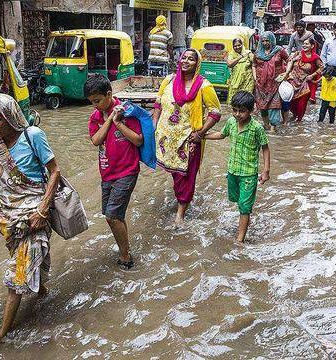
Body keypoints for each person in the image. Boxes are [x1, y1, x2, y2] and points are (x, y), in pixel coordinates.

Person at [0, 94, 61, 343]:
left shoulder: (33, 136)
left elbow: (55, 171)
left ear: (10, 117)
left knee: (18, 275)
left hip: (34, 211)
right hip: (9, 214)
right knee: (26, 262)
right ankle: (43, 291)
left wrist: (42, 210)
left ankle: (2, 336)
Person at [152, 49, 221, 225]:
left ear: (197, 64)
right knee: (176, 175)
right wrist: (154, 125)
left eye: (191, 59)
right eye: (184, 58)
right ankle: (182, 199)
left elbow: (215, 113)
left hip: (189, 140)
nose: (186, 61)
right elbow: (158, 103)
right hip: (166, 139)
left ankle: (180, 213)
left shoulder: (204, 86)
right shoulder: (169, 80)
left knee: (187, 175)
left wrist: (200, 133)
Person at [84, 75, 143, 269]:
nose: (95, 106)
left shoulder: (127, 112)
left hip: (127, 171)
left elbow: (138, 140)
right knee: (115, 216)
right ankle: (125, 248)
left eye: (98, 101)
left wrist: (119, 123)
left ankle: (125, 256)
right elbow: (96, 140)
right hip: (107, 172)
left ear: (109, 94)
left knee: (112, 216)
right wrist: (110, 118)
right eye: (92, 102)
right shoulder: (96, 116)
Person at [204, 91, 270, 243]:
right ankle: (245, 222)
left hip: (248, 174)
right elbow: (221, 134)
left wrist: (266, 171)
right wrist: (203, 135)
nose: (237, 114)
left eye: (242, 111)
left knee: (244, 206)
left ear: (251, 111)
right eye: (234, 110)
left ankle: (239, 240)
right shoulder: (231, 123)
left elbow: (265, 148)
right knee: (237, 201)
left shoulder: (256, 128)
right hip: (232, 171)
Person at [253, 31, 289, 131]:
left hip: (275, 83)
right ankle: (266, 126)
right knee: (262, 107)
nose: (265, 43)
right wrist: (255, 77)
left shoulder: (279, 50)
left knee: (275, 106)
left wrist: (286, 73)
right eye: (263, 41)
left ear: (272, 40)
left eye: (267, 41)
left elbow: (289, 60)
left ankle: (273, 129)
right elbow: (254, 65)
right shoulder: (257, 52)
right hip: (261, 84)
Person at [282, 38, 324, 122]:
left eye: (307, 44)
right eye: (304, 44)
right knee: (291, 103)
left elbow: (322, 67)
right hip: (292, 82)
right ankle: (293, 116)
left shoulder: (315, 58)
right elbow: (289, 62)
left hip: (305, 84)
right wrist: (287, 73)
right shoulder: (297, 54)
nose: (304, 45)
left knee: (302, 105)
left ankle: (299, 123)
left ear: (312, 46)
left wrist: (312, 75)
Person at [226, 38, 255, 105]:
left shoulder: (248, 52)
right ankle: (237, 112)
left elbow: (254, 61)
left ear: (242, 44)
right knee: (235, 99)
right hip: (235, 82)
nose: (237, 47)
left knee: (246, 99)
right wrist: (241, 56)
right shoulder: (231, 54)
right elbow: (229, 64)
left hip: (247, 81)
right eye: (235, 46)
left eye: (239, 45)